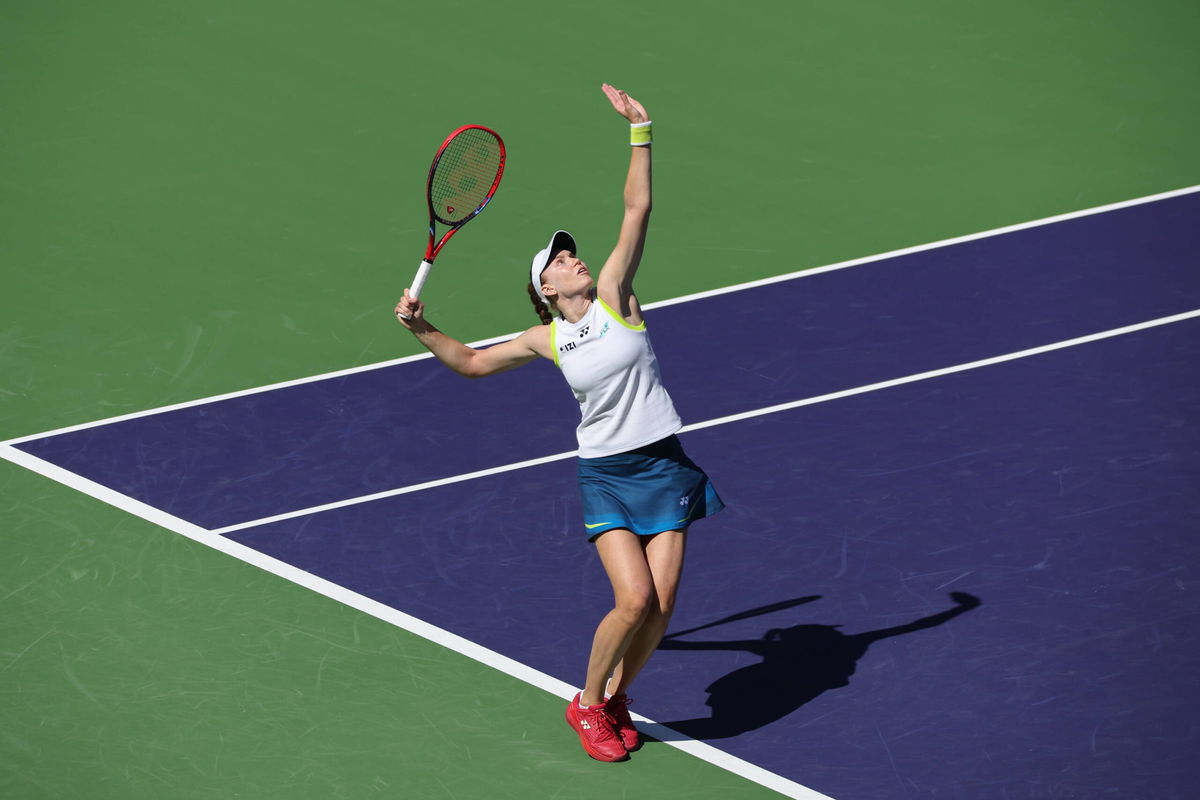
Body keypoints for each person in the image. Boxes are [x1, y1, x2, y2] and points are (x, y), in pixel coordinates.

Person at [394, 83, 724, 763]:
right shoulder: (547, 339)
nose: (574, 258)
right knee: (631, 602)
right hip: (607, 475)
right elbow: (474, 364)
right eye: (561, 260)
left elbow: (638, 208)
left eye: (573, 254)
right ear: (547, 288)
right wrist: (423, 327)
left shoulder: (615, 297)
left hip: (667, 465)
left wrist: (642, 130)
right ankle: (586, 702)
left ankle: (616, 695)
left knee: (661, 611)